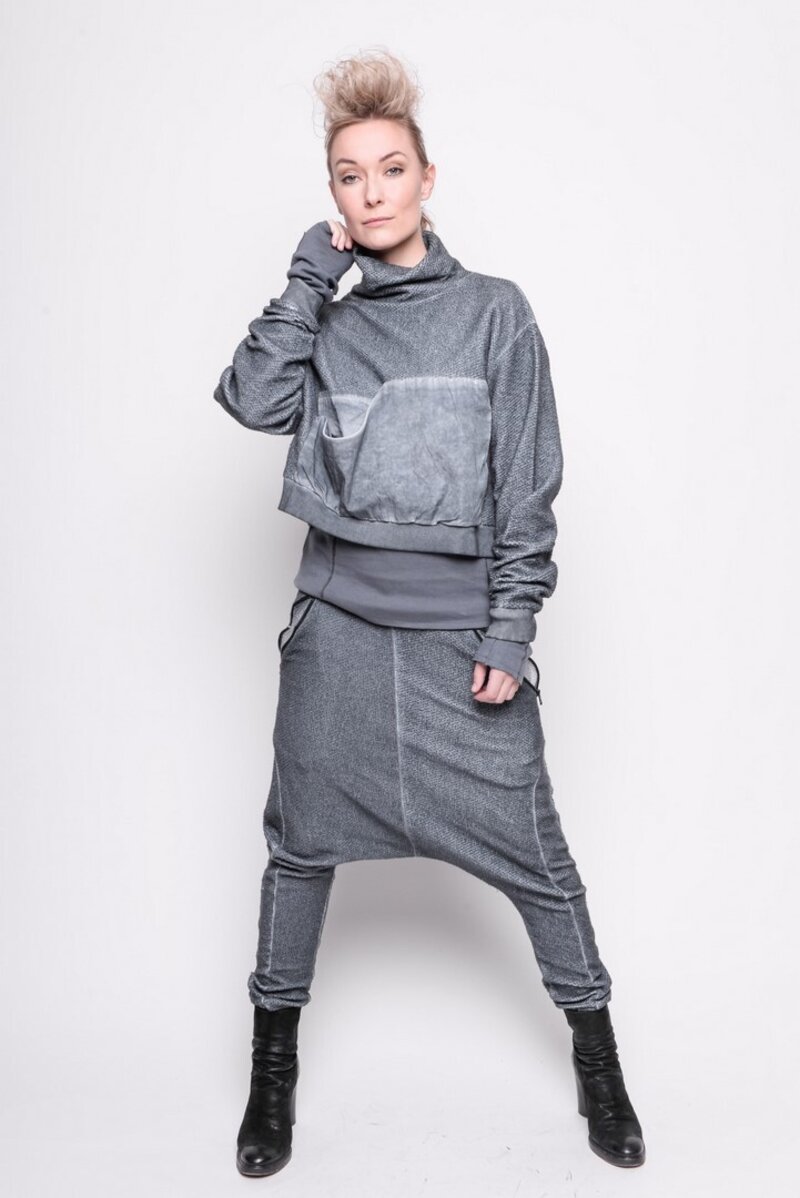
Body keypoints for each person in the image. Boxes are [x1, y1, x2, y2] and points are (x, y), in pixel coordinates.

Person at [213, 48, 645, 1178]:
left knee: (539, 862)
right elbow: (251, 399)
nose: (372, 192)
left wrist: (510, 627)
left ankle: (599, 1065)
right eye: (349, 176)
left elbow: (527, 482)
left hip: (462, 650)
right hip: (337, 644)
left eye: (390, 169)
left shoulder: (495, 313)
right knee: (298, 855)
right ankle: (272, 1077)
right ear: (333, 195)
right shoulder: (328, 323)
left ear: (426, 177)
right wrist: (306, 283)